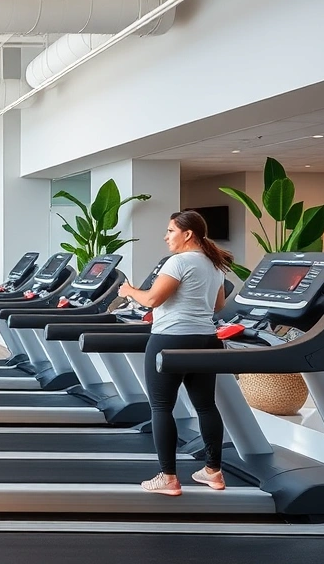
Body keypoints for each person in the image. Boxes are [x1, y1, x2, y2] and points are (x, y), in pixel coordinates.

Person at [117, 210, 232, 496]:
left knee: (161, 407)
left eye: (170, 231)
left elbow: (153, 299)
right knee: (206, 406)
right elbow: (217, 306)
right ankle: (213, 472)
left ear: (187, 234)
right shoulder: (214, 264)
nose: (166, 236)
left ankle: (168, 478)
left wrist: (129, 291)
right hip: (206, 340)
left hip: (170, 341)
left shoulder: (178, 262)